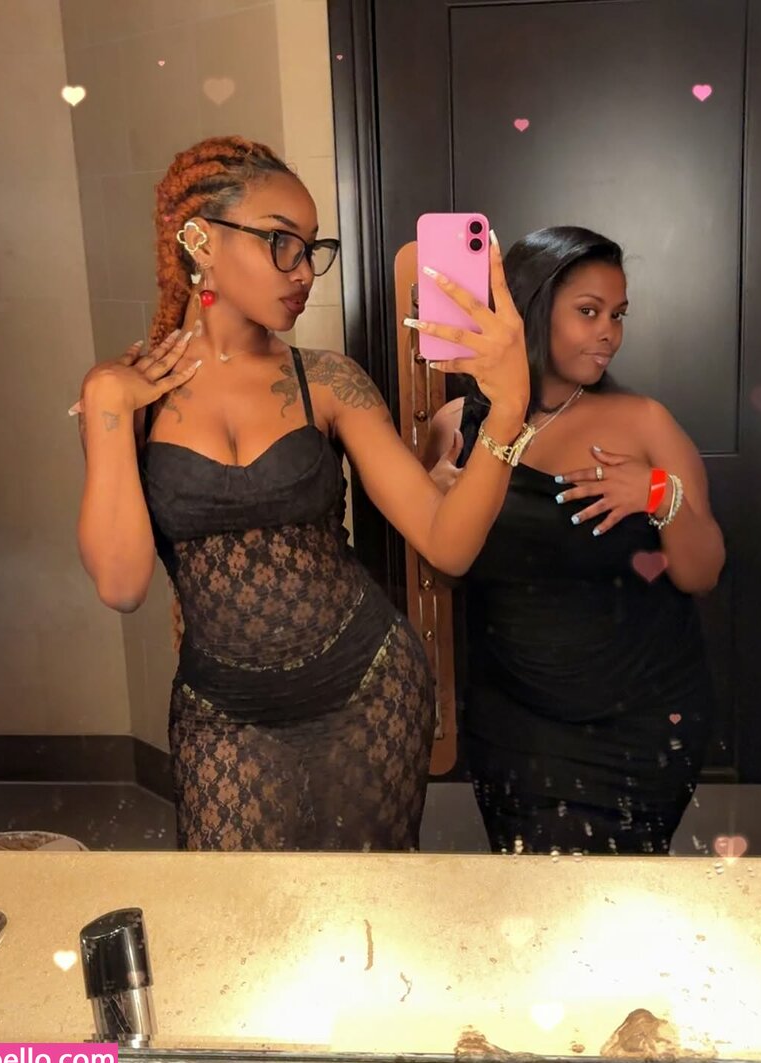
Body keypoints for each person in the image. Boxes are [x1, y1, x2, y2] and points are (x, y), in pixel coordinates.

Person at [72, 135, 530, 852]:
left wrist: (508, 408)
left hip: (368, 685)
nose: (304, 270)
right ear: (199, 239)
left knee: (366, 905)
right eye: (280, 242)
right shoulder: (129, 394)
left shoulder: (329, 380)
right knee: (236, 914)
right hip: (222, 713)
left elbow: (449, 544)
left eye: (312, 248)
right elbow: (122, 585)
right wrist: (104, 403)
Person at [424, 226, 725, 856]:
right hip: (515, 725)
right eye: (589, 312)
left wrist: (660, 493)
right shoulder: (459, 427)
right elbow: (448, 573)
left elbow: (702, 573)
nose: (609, 332)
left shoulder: (643, 422)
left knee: (625, 899)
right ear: (532, 310)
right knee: (534, 896)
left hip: (640, 726)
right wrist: (442, 498)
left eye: (617, 315)